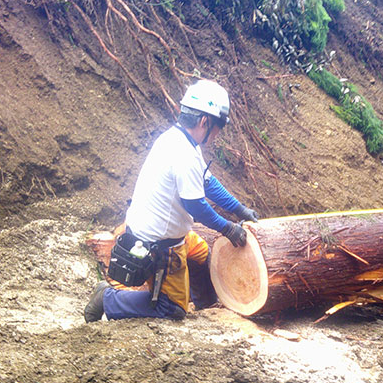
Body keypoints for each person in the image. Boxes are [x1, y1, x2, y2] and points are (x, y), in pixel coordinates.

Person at [84, 79, 259, 322]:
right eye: (218, 127)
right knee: (173, 309)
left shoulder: (179, 141)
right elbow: (195, 205)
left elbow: (208, 183)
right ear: (205, 121)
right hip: (158, 246)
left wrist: (240, 209)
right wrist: (228, 228)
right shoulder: (183, 154)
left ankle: (204, 302)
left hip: (160, 232)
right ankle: (108, 297)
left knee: (200, 251)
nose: (217, 134)